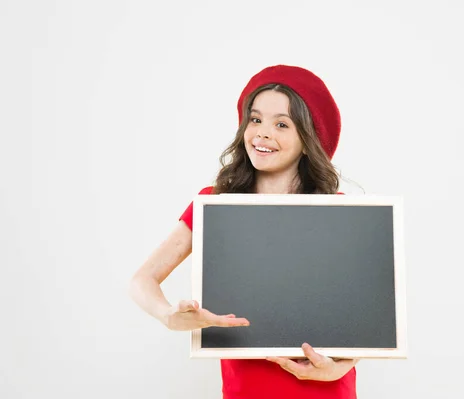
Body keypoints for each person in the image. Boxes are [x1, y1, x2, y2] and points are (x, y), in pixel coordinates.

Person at [129, 65, 359, 398]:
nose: (263, 133)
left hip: (325, 389)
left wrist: (340, 367)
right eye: (256, 120)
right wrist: (169, 316)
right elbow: (142, 280)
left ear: (308, 141)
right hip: (247, 389)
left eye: (281, 124)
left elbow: (363, 316)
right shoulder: (214, 205)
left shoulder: (337, 211)